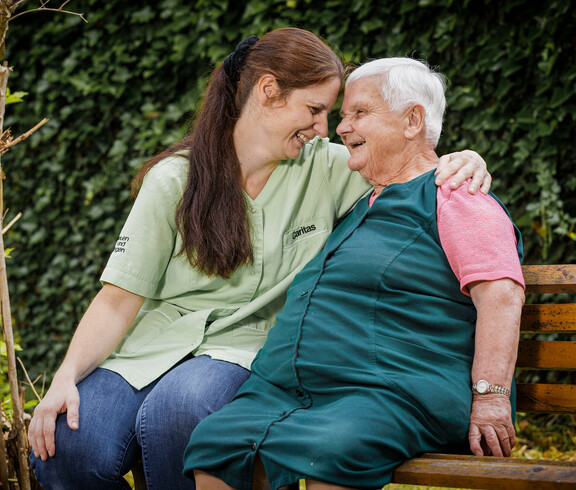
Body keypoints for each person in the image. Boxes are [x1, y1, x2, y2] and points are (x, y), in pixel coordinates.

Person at [28, 29, 491, 490]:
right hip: (150, 349)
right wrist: (66, 377)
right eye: (314, 110)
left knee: (179, 409)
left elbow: (410, 170)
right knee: (67, 446)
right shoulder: (175, 178)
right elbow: (117, 300)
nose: (323, 128)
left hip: (248, 350)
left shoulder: (329, 167)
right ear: (268, 91)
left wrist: (464, 159)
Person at [183, 57, 525, 490]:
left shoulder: (456, 197)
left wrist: (491, 398)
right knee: (217, 445)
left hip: (391, 391)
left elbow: (501, 295)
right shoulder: (365, 200)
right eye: (343, 115)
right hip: (293, 391)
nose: (341, 128)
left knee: (330, 452)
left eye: (359, 113)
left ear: (412, 120)